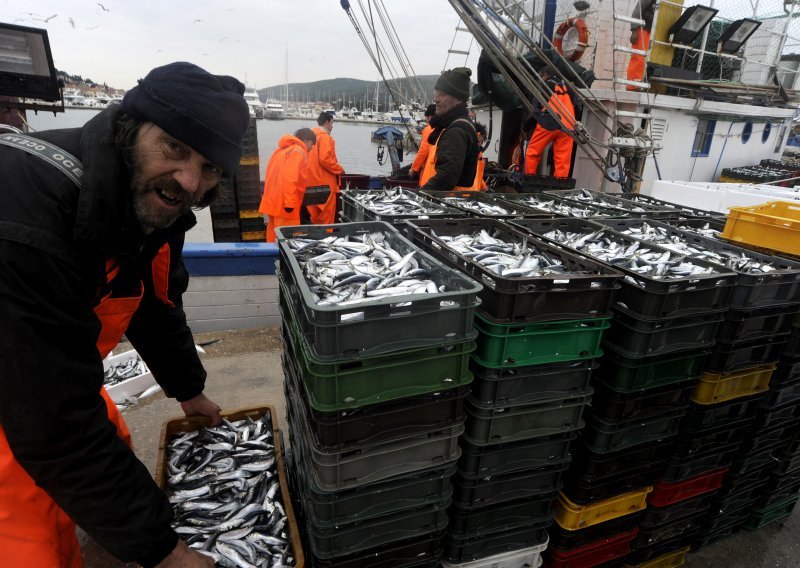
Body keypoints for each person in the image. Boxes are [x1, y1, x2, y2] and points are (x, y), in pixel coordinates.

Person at [0, 62, 250, 567]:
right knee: (33, 546)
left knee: (108, 448)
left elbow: (155, 306)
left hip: (41, 374)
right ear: (130, 128)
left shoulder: (153, 203)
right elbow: (55, 426)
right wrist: (166, 551)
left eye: (209, 167)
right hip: (17, 386)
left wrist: (188, 388)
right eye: (175, 147)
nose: (188, 180)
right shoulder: (27, 218)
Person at [419, 67, 479, 192]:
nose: (436, 99)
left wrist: (417, 196)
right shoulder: (457, 125)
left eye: (443, 94)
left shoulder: (456, 131)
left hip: (451, 203)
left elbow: (445, 179)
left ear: (458, 99)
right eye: (436, 93)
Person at [259, 128, 317, 242]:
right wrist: (289, 202)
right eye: (312, 143)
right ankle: (282, 259)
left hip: (273, 202)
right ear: (306, 140)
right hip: (285, 206)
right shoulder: (298, 151)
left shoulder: (281, 151)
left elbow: (272, 175)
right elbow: (290, 177)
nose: (312, 148)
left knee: (273, 235)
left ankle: (272, 257)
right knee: (288, 239)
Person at [524, 65, 576, 178]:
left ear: (544, 75)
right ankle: (560, 184)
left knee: (532, 152)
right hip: (569, 126)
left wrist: (525, 127)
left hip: (549, 122)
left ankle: (529, 179)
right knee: (563, 159)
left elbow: (534, 110)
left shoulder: (545, 85)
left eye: (539, 77)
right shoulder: (569, 87)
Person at [306, 111, 344, 225]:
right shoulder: (325, 138)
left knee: (315, 214)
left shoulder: (309, 138)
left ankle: (316, 237)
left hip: (311, 183)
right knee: (326, 215)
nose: (332, 126)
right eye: (332, 123)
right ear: (327, 122)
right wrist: (339, 169)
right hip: (325, 185)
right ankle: (325, 239)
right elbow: (325, 159)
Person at [627, 0, 655, 90]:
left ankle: (646, 85)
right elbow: (636, 11)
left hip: (655, 34)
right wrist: (634, 30)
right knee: (638, 58)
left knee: (650, 60)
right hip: (643, 30)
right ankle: (633, 86)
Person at [410, 103, 436, 184]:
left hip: (430, 173)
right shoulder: (445, 127)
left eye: (426, 118)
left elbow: (423, 151)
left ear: (430, 117)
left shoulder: (429, 129)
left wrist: (413, 168)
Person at [471, 122, 489, 191]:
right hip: (461, 195)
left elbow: (478, 176)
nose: (479, 144)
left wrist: (484, 188)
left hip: (474, 194)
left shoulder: (479, 155)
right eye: (478, 141)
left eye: (481, 141)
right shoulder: (463, 152)